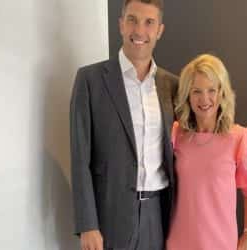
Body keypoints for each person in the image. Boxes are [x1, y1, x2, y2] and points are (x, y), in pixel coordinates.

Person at [69, 0, 178, 250]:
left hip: (159, 215)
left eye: (149, 22)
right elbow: (79, 158)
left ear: (160, 30)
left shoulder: (172, 86)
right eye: (132, 19)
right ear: (120, 24)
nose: (139, 30)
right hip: (109, 216)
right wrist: (88, 224)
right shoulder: (90, 80)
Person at [166, 54, 247, 250]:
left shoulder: (239, 139)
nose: (204, 99)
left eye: (211, 90)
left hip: (221, 243)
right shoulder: (176, 135)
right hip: (178, 243)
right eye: (196, 91)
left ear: (222, 92)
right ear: (187, 96)